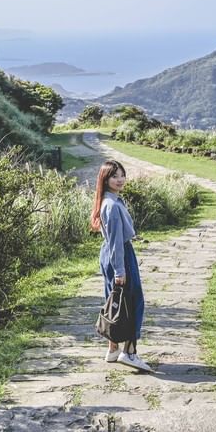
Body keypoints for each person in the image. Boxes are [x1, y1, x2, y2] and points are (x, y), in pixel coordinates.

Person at [91, 159, 153, 372]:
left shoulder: (109, 201)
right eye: (114, 176)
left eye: (122, 175)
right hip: (120, 254)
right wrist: (120, 271)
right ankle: (130, 353)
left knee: (114, 300)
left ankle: (113, 349)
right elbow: (117, 240)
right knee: (134, 301)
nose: (120, 180)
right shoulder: (111, 205)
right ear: (105, 179)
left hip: (110, 254)